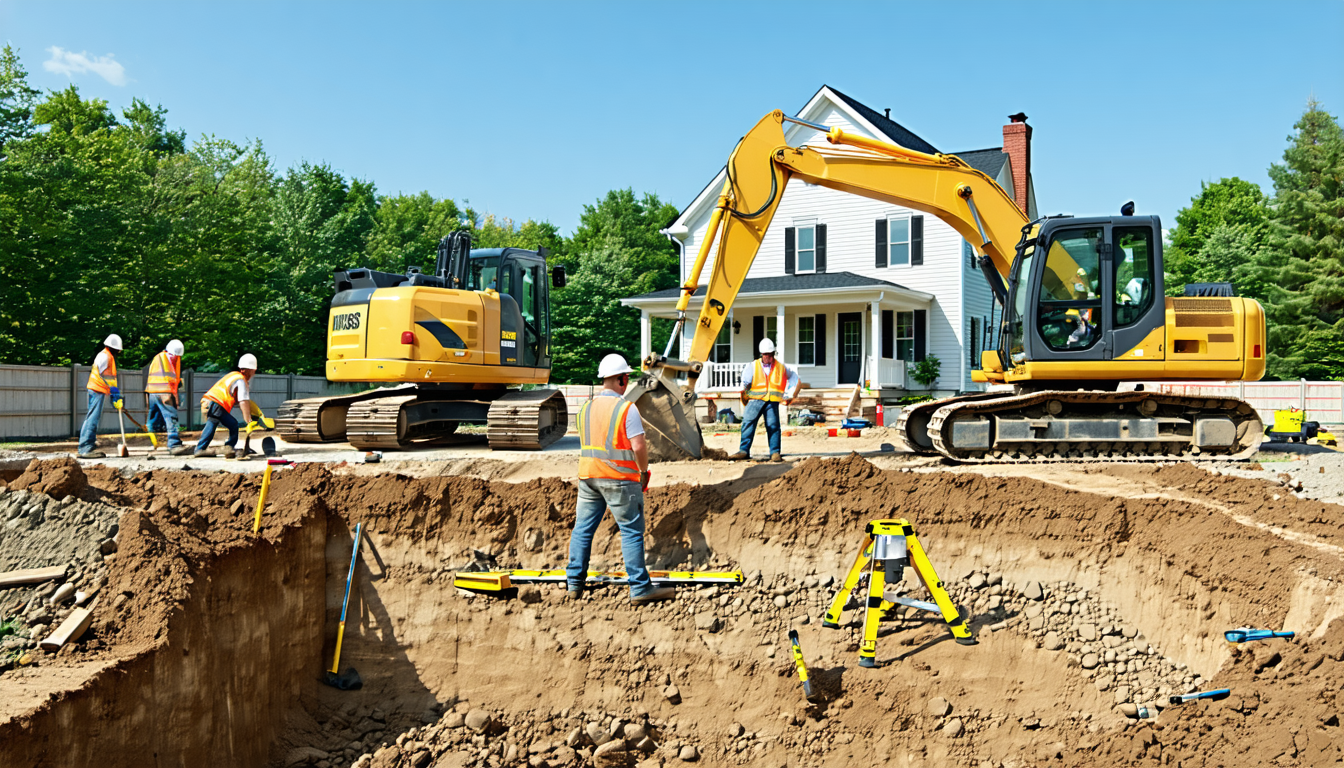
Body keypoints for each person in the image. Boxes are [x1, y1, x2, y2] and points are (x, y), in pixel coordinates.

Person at [567, 353, 675, 605]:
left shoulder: (585, 408)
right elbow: (638, 446)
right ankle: (639, 588)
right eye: (626, 378)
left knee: (582, 530)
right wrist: (643, 472)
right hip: (619, 479)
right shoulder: (627, 408)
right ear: (621, 380)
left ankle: (574, 584)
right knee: (631, 532)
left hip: (587, 477)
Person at [729, 338, 799, 462]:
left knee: (773, 426)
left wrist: (789, 393)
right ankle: (744, 450)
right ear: (762, 354)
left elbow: (793, 376)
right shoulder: (753, 366)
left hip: (772, 401)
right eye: (766, 354)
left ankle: (775, 452)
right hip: (755, 400)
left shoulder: (780, 367)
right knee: (748, 423)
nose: (769, 357)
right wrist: (744, 394)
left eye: (771, 354)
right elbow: (745, 382)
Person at [195, 354, 270, 458]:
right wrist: (248, 420)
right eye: (254, 370)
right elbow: (243, 401)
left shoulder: (233, 375)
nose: (254, 373)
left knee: (220, 423)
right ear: (250, 370)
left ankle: (208, 448)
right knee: (224, 424)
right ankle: (222, 448)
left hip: (209, 401)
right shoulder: (241, 380)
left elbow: (237, 399)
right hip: (216, 403)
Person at [77, 334, 124, 459]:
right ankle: (85, 447)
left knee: (93, 418)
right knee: (92, 418)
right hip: (97, 389)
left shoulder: (108, 357)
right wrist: (114, 393)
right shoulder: (104, 356)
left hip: (99, 389)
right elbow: (102, 376)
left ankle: (88, 444)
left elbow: (110, 379)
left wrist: (115, 394)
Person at [145, 339, 193, 455]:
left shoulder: (158, 358)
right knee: (172, 417)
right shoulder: (168, 359)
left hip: (152, 392)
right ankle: (174, 443)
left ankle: (152, 443)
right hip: (164, 392)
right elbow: (169, 380)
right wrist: (173, 397)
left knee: (154, 420)